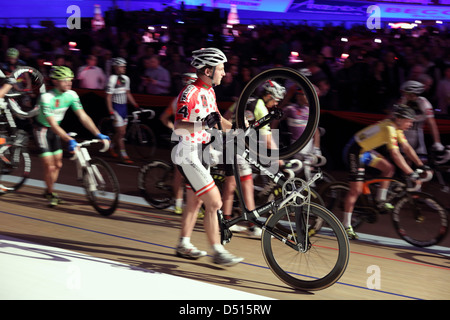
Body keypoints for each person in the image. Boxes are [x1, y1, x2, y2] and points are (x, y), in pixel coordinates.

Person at [173, 47, 243, 266]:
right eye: (221, 69)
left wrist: (243, 128)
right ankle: (217, 251)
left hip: (202, 151)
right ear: (207, 69)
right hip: (187, 152)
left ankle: (183, 243)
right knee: (214, 202)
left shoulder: (210, 91)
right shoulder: (190, 92)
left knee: (194, 202)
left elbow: (220, 121)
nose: (224, 73)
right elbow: (178, 126)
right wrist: (204, 123)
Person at [342, 104, 428, 240]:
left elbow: (406, 147)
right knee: (356, 190)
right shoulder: (389, 129)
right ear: (399, 119)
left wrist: (420, 165)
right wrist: (411, 173)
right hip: (354, 151)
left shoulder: (396, 128)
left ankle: (380, 200)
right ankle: (346, 225)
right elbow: (395, 154)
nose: (411, 124)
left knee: (389, 168)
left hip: (364, 151)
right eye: (409, 121)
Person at [33, 66, 110, 207]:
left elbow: (83, 116)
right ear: (55, 82)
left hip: (55, 130)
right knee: (49, 166)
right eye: (65, 80)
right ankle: (50, 193)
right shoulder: (46, 97)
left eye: (71, 80)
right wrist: (69, 139)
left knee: (58, 164)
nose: (69, 83)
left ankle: (47, 189)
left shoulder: (72, 95)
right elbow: (53, 124)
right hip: (42, 130)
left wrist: (98, 133)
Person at [159, 72, 197, 214]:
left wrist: (173, 128)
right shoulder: (187, 98)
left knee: (181, 173)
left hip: (183, 137)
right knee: (181, 173)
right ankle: (181, 204)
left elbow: (164, 118)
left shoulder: (178, 99)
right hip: (184, 138)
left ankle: (179, 204)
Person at [105, 57, 139, 164]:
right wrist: (110, 110)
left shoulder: (126, 78)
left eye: (125, 66)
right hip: (116, 108)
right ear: (116, 67)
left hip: (124, 108)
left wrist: (135, 105)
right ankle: (124, 155)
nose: (124, 68)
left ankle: (111, 146)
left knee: (121, 133)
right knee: (121, 132)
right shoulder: (112, 79)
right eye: (122, 66)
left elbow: (128, 93)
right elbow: (108, 96)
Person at [399, 80, 445, 157]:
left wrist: (437, 141)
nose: (403, 94)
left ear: (412, 93)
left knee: (422, 161)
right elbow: (393, 116)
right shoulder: (403, 100)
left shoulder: (423, 102)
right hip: (403, 135)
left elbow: (431, 123)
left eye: (405, 92)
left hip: (417, 136)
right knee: (404, 160)